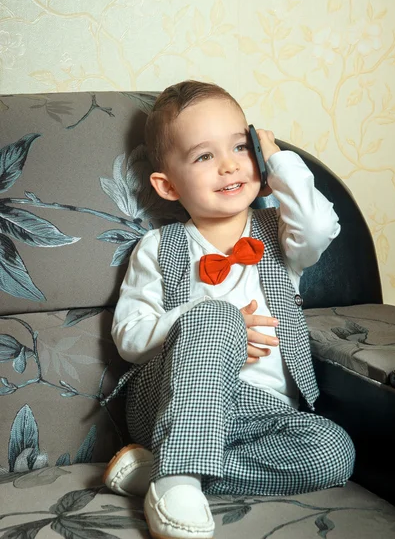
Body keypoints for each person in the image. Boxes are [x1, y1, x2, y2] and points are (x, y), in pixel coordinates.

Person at [102, 80, 355, 539]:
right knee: (215, 314)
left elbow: (320, 224)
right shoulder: (157, 247)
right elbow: (129, 337)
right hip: (168, 400)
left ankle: (162, 472)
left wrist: (276, 156)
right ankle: (178, 480)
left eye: (240, 146)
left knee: (334, 450)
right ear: (167, 185)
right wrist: (203, 319)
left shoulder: (281, 235)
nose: (228, 164)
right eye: (204, 156)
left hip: (266, 413)